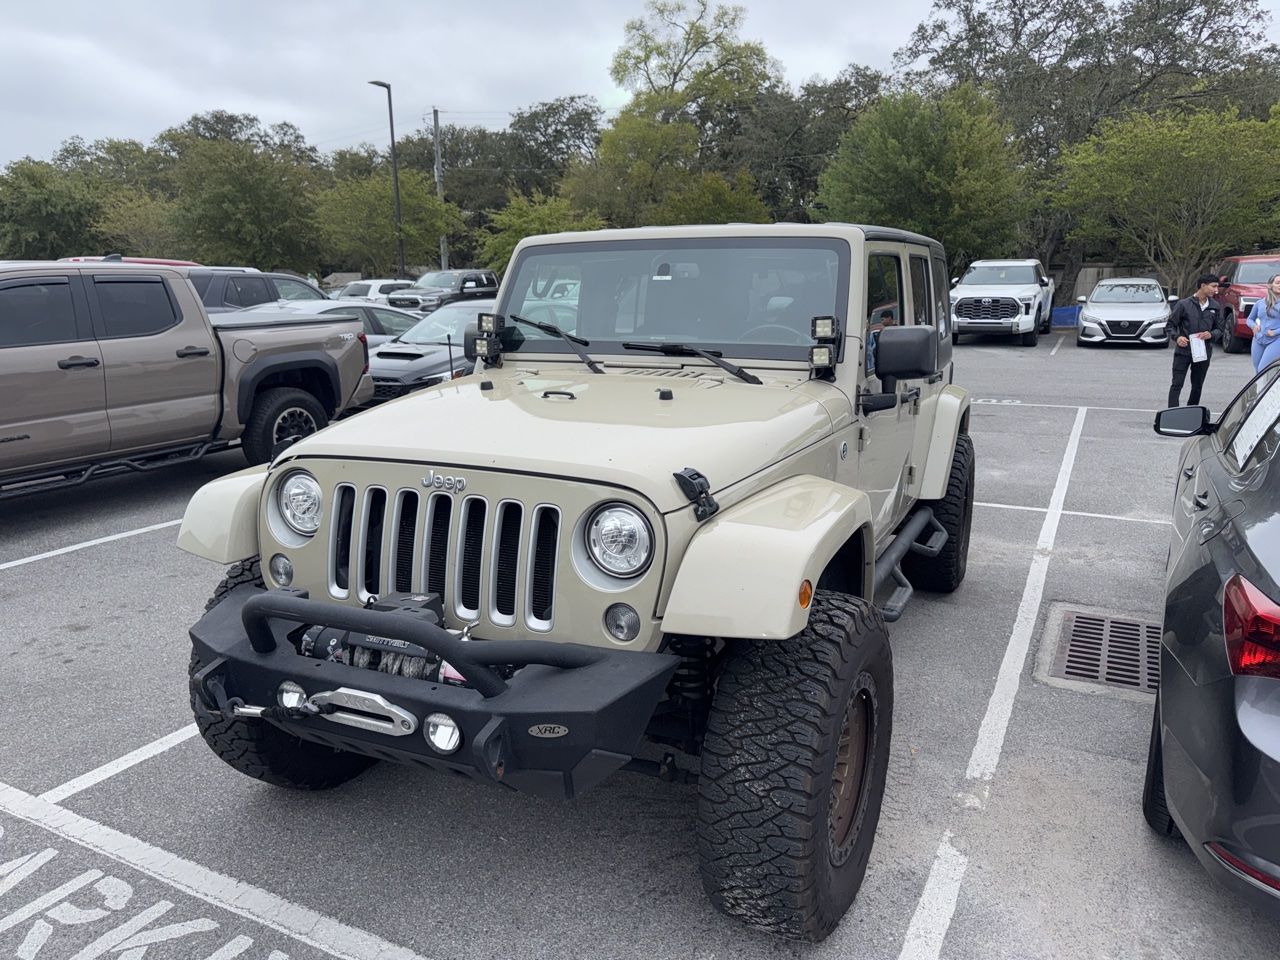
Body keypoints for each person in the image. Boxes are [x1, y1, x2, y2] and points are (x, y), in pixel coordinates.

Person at [1167, 274, 1225, 409]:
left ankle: (1191, 412)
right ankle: (1172, 413)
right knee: (1177, 384)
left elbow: (1220, 328)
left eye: (1217, 287)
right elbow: (1170, 325)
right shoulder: (1183, 304)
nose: (1216, 290)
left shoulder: (1215, 306)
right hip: (1184, 351)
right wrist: (1177, 337)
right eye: (1214, 286)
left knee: (1197, 385)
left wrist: (1211, 334)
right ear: (1203, 286)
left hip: (1203, 352)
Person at [1247, 274, 1280, 373]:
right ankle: (1262, 389)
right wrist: (1254, 326)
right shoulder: (1260, 303)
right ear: (1270, 285)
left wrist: (1275, 332)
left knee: (1263, 369)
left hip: (1276, 339)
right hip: (1258, 338)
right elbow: (1249, 319)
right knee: (1257, 370)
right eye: (1278, 283)